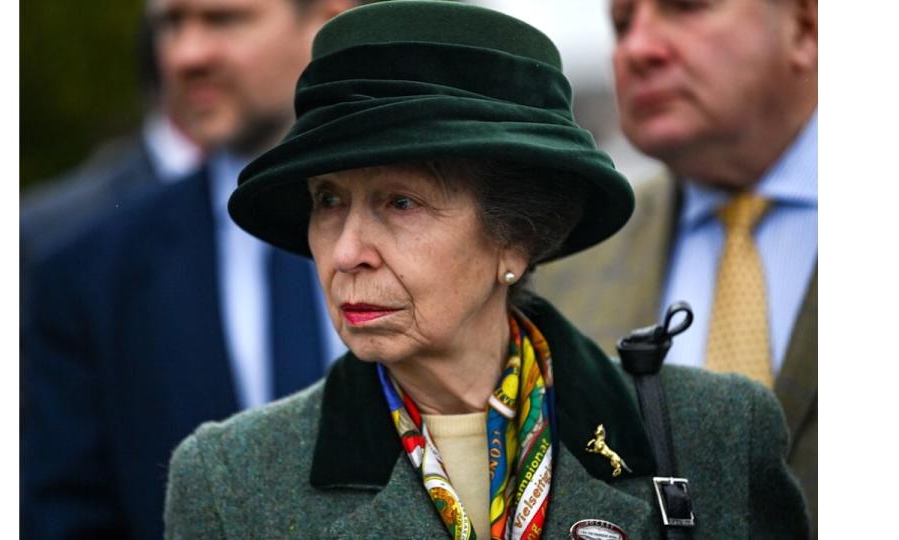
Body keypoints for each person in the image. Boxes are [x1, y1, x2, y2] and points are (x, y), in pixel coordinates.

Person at [163, 2, 809, 538]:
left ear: (515, 239)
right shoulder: (231, 479)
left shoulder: (712, 431)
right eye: (329, 201)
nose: (345, 251)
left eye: (400, 202)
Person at [20, 0, 358, 538]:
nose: (185, 55)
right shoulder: (85, 274)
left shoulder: (434, 240)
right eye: (170, 24)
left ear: (325, 18)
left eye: (224, 19)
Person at [535, 0, 818, 535]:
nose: (637, 49)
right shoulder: (561, 267)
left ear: (805, 27)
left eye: (686, 8)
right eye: (621, 25)